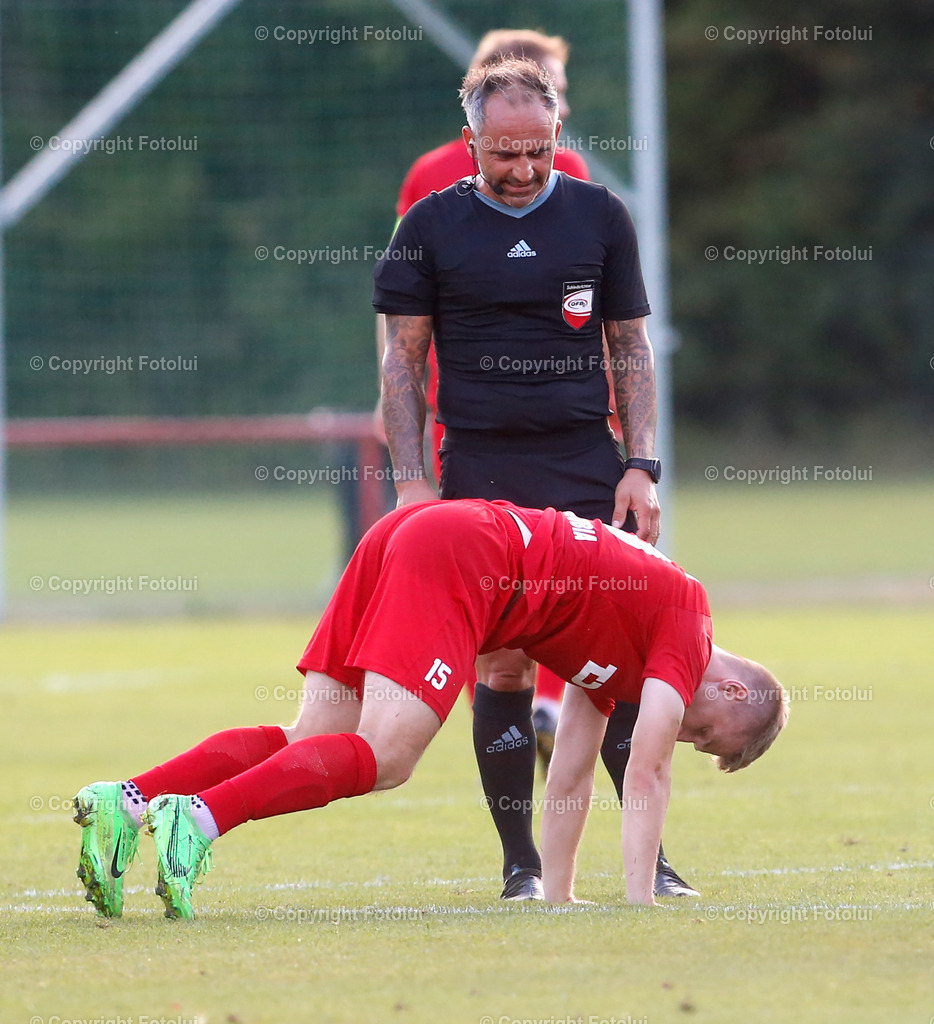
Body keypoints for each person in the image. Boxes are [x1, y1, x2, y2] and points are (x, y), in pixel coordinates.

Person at [72, 498, 788, 919]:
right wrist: (642, 905)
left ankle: (127, 801)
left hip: (421, 532)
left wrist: (559, 897)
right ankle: (197, 822)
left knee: (315, 734)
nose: (689, 737)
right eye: (708, 734)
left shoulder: (631, 656)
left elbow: (571, 774)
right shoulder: (687, 624)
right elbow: (647, 771)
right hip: (464, 556)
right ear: (733, 692)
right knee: (387, 756)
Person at [376, 56, 696, 900]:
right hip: (481, 468)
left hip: (586, 461)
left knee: (620, 662)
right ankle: (522, 866)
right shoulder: (428, 225)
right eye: (502, 153)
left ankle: (651, 863)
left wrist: (642, 466)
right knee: (506, 667)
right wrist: (411, 483)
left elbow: (629, 347)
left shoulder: (600, 215)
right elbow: (402, 363)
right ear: (470, 140)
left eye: (537, 151)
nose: (521, 170)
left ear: (558, 133)